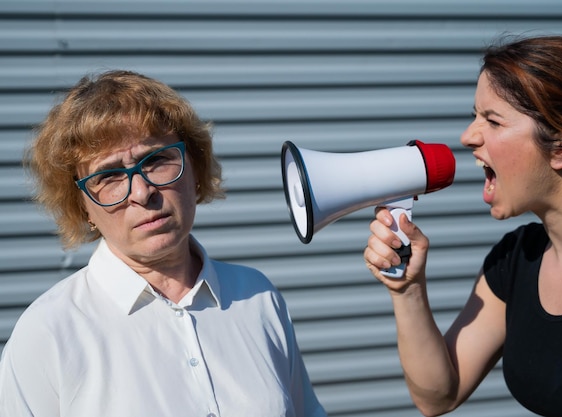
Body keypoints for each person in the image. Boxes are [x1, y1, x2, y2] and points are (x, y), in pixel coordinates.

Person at [0, 70, 326, 417]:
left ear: (194, 167)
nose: (141, 192)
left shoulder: (257, 297)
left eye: (155, 160)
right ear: (82, 204)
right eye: (109, 175)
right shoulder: (49, 332)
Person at [364, 35, 562, 416]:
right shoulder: (515, 260)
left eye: (492, 120)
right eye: (475, 116)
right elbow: (439, 395)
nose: (468, 136)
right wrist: (407, 290)